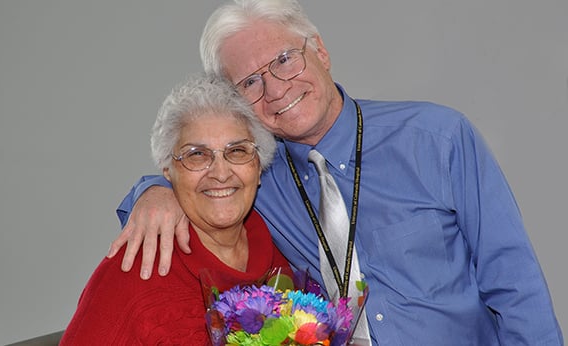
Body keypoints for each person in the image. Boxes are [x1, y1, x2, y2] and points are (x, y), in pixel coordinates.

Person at [108, 0, 564, 344]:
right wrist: (155, 191)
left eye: (285, 59)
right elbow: (199, 180)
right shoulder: (256, 180)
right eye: (249, 82)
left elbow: (515, 284)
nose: (275, 88)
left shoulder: (437, 138)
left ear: (321, 51)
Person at [61, 74, 289, 345]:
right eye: (197, 154)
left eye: (237, 151)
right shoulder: (133, 271)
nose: (220, 173)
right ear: (168, 172)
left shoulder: (281, 259)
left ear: (259, 167)